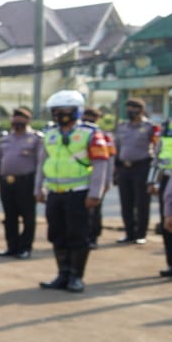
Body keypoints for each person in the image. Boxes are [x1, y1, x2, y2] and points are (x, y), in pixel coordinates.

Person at [35, 90, 110, 293]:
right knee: (57, 234)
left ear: (76, 111)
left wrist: (95, 193)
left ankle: (76, 277)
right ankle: (63, 274)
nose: (59, 115)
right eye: (55, 111)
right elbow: (43, 162)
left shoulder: (91, 133)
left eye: (63, 110)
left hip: (79, 193)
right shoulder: (50, 134)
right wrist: (38, 188)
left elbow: (101, 164)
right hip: (55, 193)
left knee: (78, 235)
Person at [0, 107, 42, 259]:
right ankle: (12, 247)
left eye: (21, 119)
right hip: (6, 183)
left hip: (26, 182)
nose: (17, 122)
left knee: (28, 217)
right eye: (15, 119)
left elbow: (40, 164)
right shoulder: (6, 139)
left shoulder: (35, 138)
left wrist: (39, 187)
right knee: (10, 217)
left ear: (27, 121)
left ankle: (25, 248)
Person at [111, 97, 157, 244]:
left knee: (142, 202)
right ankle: (129, 233)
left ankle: (141, 234)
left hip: (142, 167)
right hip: (124, 168)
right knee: (126, 202)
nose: (130, 111)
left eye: (134, 108)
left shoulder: (149, 127)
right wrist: (115, 169)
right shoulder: (122, 127)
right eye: (128, 108)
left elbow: (156, 147)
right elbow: (116, 148)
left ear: (141, 110)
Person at [151, 86, 172, 275]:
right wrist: (152, 180)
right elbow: (158, 152)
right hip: (168, 177)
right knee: (168, 220)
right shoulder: (168, 125)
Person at [80, 107, 112, 249]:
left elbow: (109, 160)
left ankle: (93, 237)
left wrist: (107, 180)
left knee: (95, 211)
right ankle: (82, 236)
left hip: (97, 180)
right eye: (86, 116)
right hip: (80, 180)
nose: (88, 119)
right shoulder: (77, 134)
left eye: (92, 117)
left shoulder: (103, 136)